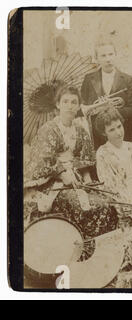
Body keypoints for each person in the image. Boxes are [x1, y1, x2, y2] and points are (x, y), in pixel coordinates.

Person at [24, 85, 118, 240]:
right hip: (52, 183)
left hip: (78, 180)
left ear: (78, 106)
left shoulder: (81, 130)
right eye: (65, 101)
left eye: (74, 102)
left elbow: (86, 162)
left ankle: (100, 247)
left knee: (106, 203)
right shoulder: (48, 129)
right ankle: (80, 244)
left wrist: (88, 182)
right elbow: (43, 159)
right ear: (58, 104)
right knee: (82, 206)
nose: (69, 105)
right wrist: (62, 173)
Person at [79, 36, 132, 150]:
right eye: (103, 55)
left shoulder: (127, 80)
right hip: (98, 137)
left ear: (115, 55)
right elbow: (83, 109)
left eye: (111, 54)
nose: (108, 59)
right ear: (96, 59)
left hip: (122, 136)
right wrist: (98, 109)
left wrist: (113, 110)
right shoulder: (88, 79)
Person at [95, 107, 132, 226]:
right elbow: (109, 184)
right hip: (122, 199)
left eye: (119, 126)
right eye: (112, 130)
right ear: (104, 133)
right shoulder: (102, 153)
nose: (118, 132)